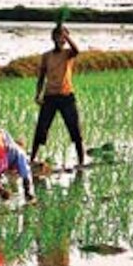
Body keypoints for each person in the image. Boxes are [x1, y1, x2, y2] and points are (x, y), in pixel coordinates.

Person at [31, 24, 86, 168]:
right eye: (58, 36)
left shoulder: (68, 54)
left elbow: (77, 50)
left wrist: (66, 35)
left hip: (66, 96)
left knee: (74, 129)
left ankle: (81, 162)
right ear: (53, 38)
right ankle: (32, 159)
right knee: (41, 129)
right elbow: (42, 77)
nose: (60, 39)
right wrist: (38, 94)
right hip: (50, 97)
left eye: (63, 37)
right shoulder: (47, 56)